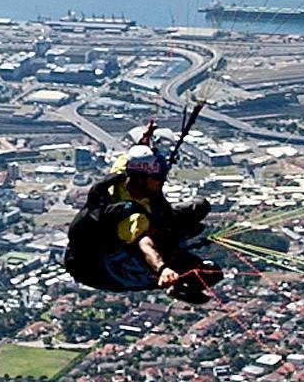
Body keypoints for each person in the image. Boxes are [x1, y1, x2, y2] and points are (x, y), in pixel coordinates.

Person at [58, 126, 220, 305]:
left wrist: (145, 140)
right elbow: (145, 244)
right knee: (210, 273)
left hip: (99, 250)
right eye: (157, 178)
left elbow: (132, 156)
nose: (162, 182)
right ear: (142, 179)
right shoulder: (132, 216)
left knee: (199, 207)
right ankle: (176, 286)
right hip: (104, 270)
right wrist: (162, 269)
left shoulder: (123, 173)